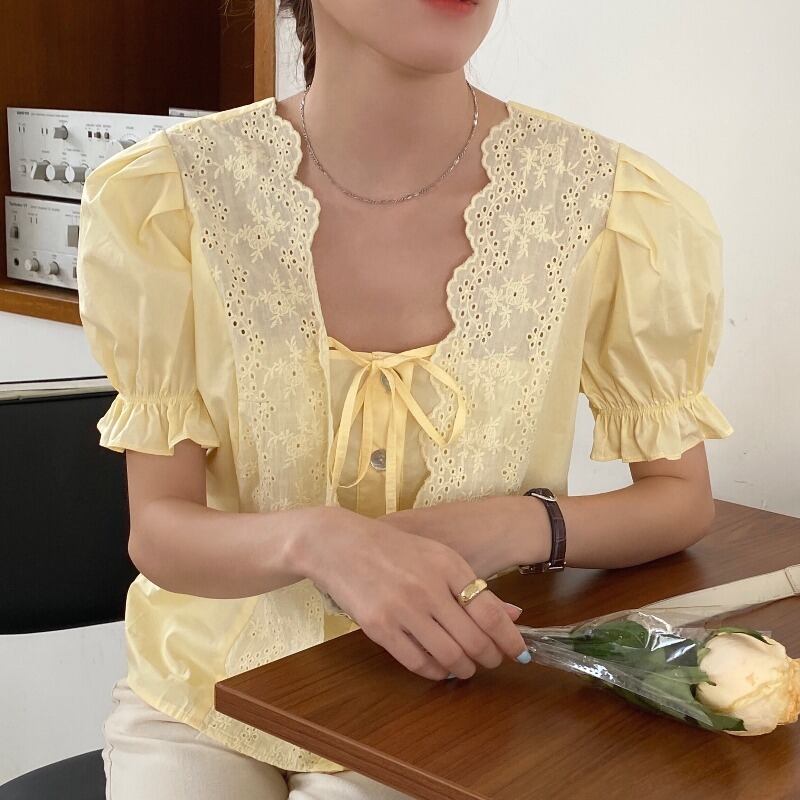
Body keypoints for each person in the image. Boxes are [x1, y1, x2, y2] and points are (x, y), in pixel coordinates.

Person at [76, 0, 734, 797]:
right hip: (201, 692)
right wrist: (317, 540)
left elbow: (680, 498)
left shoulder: (609, 203)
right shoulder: (168, 197)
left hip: (456, 693)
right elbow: (160, 531)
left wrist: (518, 524)